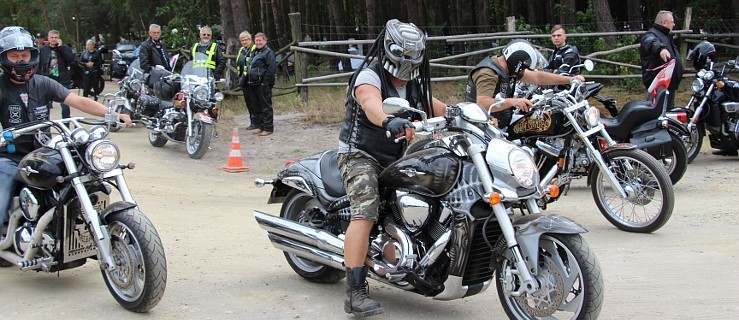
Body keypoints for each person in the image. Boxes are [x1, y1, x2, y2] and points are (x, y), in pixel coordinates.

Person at [338, 19, 447, 317]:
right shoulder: (369, 77)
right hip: (360, 155)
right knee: (366, 210)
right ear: (389, 48)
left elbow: (441, 108)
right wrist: (389, 120)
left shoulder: (413, 85)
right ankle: (355, 292)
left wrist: (472, 117)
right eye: (403, 52)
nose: (408, 60)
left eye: (413, 53)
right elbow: (372, 105)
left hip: (396, 157)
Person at [0, 26, 132, 226]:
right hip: (10, 157)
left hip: (42, 154)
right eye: (14, 56)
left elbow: (78, 101)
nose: (21, 60)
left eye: (25, 55)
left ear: (33, 55)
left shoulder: (43, 83)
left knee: (78, 175)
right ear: (4, 59)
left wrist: (113, 115)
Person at [465, 39, 585, 129]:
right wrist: (514, 101)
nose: (523, 70)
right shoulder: (488, 73)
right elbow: (482, 102)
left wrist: (570, 79)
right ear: (516, 60)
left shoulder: (508, 69)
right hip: (482, 127)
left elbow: (538, 77)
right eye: (523, 65)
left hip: (501, 122)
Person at [639, 10, 683, 99]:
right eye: (672, 22)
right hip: (658, 86)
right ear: (663, 23)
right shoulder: (650, 35)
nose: (674, 25)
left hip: (668, 85)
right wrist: (661, 49)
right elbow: (651, 41)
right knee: (655, 111)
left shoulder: (666, 37)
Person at [38, 29, 75, 119]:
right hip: (48, 79)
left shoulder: (65, 48)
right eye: (52, 37)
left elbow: (70, 60)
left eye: (56, 37)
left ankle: (66, 125)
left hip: (62, 79)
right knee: (45, 106)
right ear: (48, 38)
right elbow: (39, 64)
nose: (54, 39)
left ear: (59, 38)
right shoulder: (43, 50)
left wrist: (61, 48)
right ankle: (46, 127)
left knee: (65, 105)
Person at [246, 32, 276, 136]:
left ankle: (268, 128)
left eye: (260, 40)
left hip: (263, 84)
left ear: (265, 41)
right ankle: (261, 126)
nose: (258, 42)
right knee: (257, 106)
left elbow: (271, 69)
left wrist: (265, 83)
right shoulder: (256, 52)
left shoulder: (268, 52)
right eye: (256, 40)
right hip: (254, 83)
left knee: (265, 105)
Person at [236, 31, 258, 130]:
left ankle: (257, 122)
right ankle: (253, 121)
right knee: (248, 102)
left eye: (246, 39)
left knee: (255, 101)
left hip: (251, 79)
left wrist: (244, 78)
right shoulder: (241, 50)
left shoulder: (254, 49)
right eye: (242, 40)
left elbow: (250, 64)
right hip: (243, 80)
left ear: (250, 39)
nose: (244, 42)